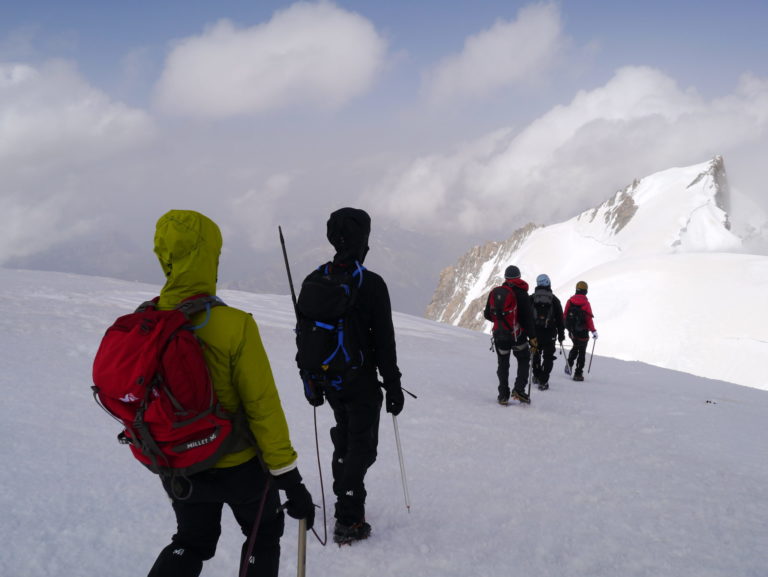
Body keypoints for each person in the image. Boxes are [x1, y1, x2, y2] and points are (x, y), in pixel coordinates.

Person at [147, 210, 314, 577]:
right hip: (241, 466)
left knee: (191, 541)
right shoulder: (234, 325)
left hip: (181, 465)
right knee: (263, 536)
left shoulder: (150, 323)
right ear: (209, 257)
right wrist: (290, 479)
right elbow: (262, 407)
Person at [299, 207, 404, 545]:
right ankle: (349, 515)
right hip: (360, 381)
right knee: (363, 447)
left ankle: (344, 489)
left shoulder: (314, 280)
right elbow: (384, 341)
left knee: (346, 436)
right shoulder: (370, 284)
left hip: (329, 379)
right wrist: (393, 386)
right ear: (363, 240)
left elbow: (303, 335)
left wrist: (309, 379)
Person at [483, 265, 537, 404]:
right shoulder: (522, 294)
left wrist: (501, 322)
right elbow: (527, 319)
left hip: (500, 335)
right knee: (524, 359)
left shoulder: (496, 292)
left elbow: (487, 314)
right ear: (519, 277)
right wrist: (532, 337)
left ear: (506, 278)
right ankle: (518, 389)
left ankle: (503, 395)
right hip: (517, 335)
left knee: (503, 363)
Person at [531, 274, 565, 390]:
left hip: (534, 333)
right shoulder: (554, 300)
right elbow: (560, 319)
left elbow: (525, 317)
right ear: (548, 283)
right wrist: (561, 335)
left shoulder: (532, 298)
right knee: (548, 357)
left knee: (535, 354)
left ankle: (536, 375)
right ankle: (543, 381)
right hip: (549, 334)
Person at [563, 280, 598, 382]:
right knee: (582, 352)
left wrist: (568, 328)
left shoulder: (570, 301)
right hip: (583, 332)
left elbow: (564, 315)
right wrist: (593, 331)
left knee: (575, 347)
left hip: (572, 331)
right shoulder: (586, 304)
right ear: (585, 291)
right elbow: (588, 319)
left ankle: (569, 364)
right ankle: (578, 374)